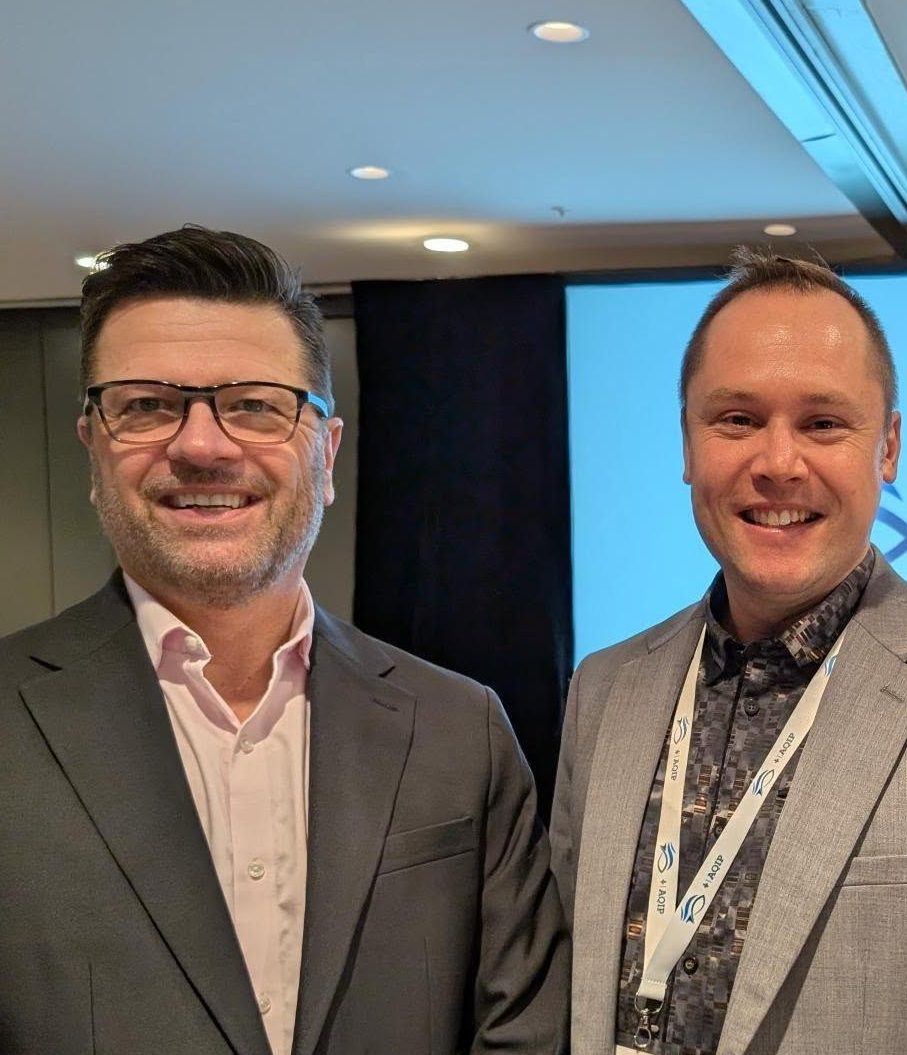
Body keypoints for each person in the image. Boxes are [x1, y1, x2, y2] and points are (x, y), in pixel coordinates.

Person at [0, 225, 567, 1054]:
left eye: (256, 405)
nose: (201, 445)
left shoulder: (459, 731)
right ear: (94, 448)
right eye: (146, 404)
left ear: (326, 455)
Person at [550, 249, 907, 1055]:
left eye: (822, 423)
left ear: (888, 447)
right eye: (737, 419)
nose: (778, 463)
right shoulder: (606, 691)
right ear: (687, 443)